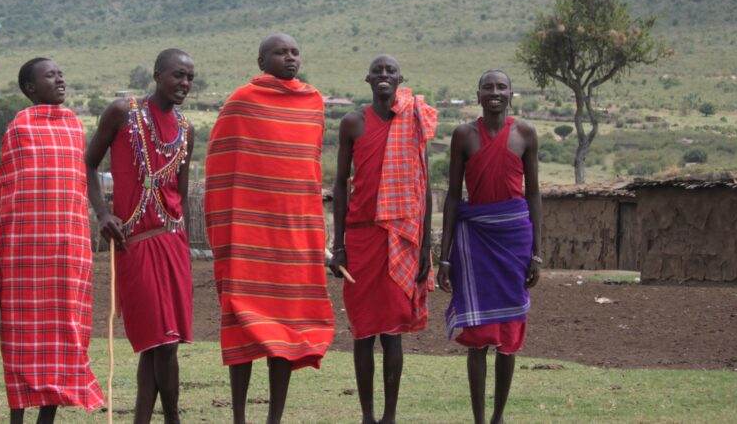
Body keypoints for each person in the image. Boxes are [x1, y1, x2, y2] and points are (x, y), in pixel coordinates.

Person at [204, 33, 335, 424]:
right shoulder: (241, 101)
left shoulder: (313, 103)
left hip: (294, 239)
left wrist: (315, 235)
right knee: (242, 327)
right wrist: (227, 228)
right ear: (262, 61)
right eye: (280, 52)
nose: (290, 57)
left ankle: (274, 418)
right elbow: (220, 167)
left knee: (288, 332)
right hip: (249, 238)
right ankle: (240, 417)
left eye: (295, 51)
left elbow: (307, 172)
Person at [85, 48, 196, 424]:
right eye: (177, 75)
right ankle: (174, 419)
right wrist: (102, 213)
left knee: (161, 345)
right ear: (157, 74)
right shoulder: (122, 113)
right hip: (134, 243)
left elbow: (178, 195)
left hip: (172, 242)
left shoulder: (186, 131)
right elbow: (88, 163)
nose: (184, 83)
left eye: (189, 78)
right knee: (159, 341)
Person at [328, 54, 437, 424]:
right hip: (359, 239)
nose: (384, 76)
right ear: (368, 79)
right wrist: (338, 244)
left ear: (401, 78)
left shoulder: (415, 121)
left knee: (392, 333)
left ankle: (389, 417)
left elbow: (425, 187)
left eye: (390, 71)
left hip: (401, 238)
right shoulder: (353, 123)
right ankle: (367, 416)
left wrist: (426, 245)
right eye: (378, 71)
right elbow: (340, 186)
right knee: (362, 331)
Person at [0, 58, 104, 423]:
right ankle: (17, 417)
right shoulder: (19, 128)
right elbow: (5, 190)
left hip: (68, 251)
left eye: (61, 74)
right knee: (22, 338)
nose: (60, 79)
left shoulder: (74, 125)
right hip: (26, 254)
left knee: (65, 332)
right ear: (29, 88)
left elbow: (78, 185)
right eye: (50, 75)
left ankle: (47, 418)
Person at [438, 69, 542, 424]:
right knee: (478, 334)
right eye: (488, 87)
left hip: (515, 239)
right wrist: (444, 256)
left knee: (510, 332)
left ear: (511, 93)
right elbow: (453, 195)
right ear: (477, 94)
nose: (494, 92)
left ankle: (499, 416)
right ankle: (480, 419)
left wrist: (536, 252)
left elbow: (534, 194)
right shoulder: (464, 135)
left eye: (501, 87)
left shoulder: (524, 134)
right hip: (475, 241)